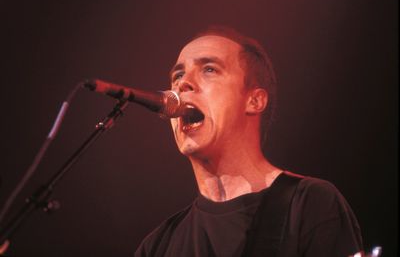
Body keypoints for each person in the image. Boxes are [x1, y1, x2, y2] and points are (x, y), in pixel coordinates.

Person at [134, 26, 363, 257]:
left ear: (254, 100)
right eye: (178, 75)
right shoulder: (158, 246)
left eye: (209, 69)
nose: (182, 85)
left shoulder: (309, 204)